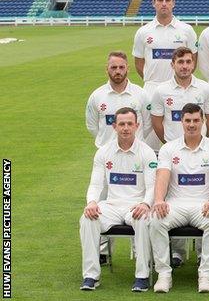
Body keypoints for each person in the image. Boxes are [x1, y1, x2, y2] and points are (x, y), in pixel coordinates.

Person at [149, 103, 209, 293]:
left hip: (204, 204)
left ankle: (205, 276)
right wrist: (159, 200)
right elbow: (162, 176)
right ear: (181, 122)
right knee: (156, 219)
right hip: (175, 204)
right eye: (188, 121)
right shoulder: (169, 148)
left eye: (195, 120)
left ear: (203, 121)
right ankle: (164, 275)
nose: (192, 125)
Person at [79, 107, 156, 292]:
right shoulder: (103, 152)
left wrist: (145, 204)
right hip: (112, 205)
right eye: (121, 124)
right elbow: (96, 184)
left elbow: (152, 186)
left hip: (136, 204)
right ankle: (91, 275)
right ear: (114, 126)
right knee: (87, 218)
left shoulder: (147, 152)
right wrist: (91, 202)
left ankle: (142, 276)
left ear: (137, 126)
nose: (126, 128)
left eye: (130, 124)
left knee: (143, 218)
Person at [132, 0, 197, 151]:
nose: (164, 3)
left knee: (181, 138)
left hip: (181, 89)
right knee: (149, 142)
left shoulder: (186, 30)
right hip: (151, 88)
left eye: (168, 0)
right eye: (160, 0)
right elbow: (139, 63)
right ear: (153, 3)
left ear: (173, 3)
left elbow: (193, 61)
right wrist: (152, 80)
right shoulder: (143, 32)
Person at [151, 47, 209, 144]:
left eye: (188, 62)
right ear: (172, 65)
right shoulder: (161, 90)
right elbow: (156, 123)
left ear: (193, 64)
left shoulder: (206, 88)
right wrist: (168, 144)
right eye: (180, 62)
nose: (185, 66)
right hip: (172, 148)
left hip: (200, 147)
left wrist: (200, 139)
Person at [86, 51, 151, 149]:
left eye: (121, 67)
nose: (117, 71)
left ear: (127, 69)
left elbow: (148, 124)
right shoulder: (97, 95)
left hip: (135, 151)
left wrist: (136, 139)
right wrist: (105, 142)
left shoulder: (141, 94)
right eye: (113, 67)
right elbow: (92, 126)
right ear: (106, 69)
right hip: (106, 152)